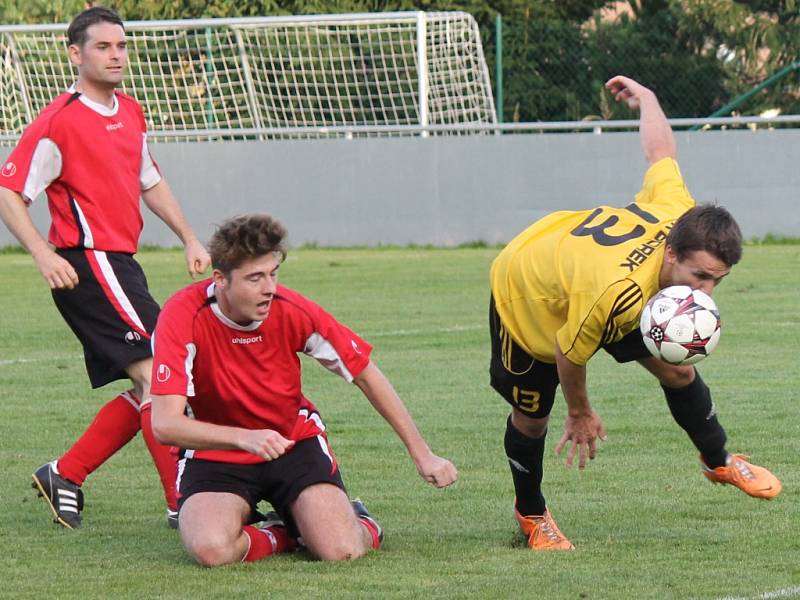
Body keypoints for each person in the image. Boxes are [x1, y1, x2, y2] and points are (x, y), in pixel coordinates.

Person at [489, 75, 782, 551]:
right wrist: (580, 412)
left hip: (595, 281)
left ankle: (718, 460)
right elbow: (568, 349)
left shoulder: (679, 212)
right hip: (529, 293)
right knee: (533, 414)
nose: (707, 292)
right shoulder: (615, 292)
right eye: (701, 277)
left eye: (717, 281)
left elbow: (661, 154)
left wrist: (649, 98)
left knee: (678, 370)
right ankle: (531, 514)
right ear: (671, 254)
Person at [0, 6, 211, 529]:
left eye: (121, 46)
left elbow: (149, 180)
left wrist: (188, 237)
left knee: (151, 383)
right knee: (162, 377)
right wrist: (43, 254)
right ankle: (182, 502)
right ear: (76, 54)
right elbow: (9, 191)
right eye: (103, 47)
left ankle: (65, 474)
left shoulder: (131, 111)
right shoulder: (59, 122)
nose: (116, 55)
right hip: (87, 265)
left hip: (121, 266)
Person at [148, 213, 458, 566]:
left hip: (293, 442)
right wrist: (242, 438)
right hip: (219, 451)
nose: (269, 288)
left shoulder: (291, 309)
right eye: (255, 278)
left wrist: (422, 454)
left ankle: (359, 522)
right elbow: (166, 425)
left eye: (273, 273)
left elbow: (365, 373)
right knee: (211, 549)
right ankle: (283, 531)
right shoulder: (182, 316)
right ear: (220, 279)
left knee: (341, 550)